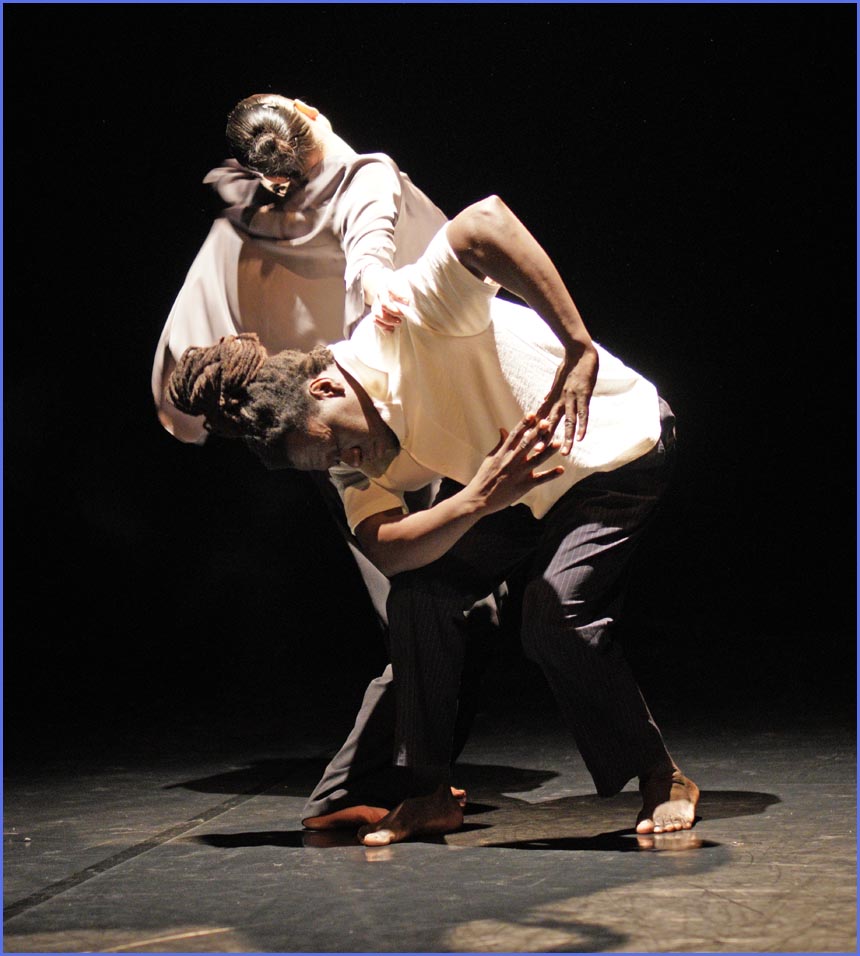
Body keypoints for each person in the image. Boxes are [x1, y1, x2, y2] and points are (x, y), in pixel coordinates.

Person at [166, 195, 700, 847]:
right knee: (419, 596)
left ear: (327, 388)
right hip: (518, 491)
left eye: (337, 445)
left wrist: (578, 347)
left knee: (554, 610)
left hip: (613, 451)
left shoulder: (409, 321)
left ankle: (661, 774)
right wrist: (477, 499)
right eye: (328, 463)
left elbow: (486, 222)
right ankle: (428, 792)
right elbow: (388, 548)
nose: (346, 462)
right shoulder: (343, 462)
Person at [151, 92, 498, 800]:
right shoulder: (359, 176)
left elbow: (183, 362)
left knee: (430, 602)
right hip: (368, 414)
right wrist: (373, 283)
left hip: (318, 428)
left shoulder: (241, 225)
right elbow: (371, 240)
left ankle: (393, 775)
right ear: (311, 116)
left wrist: (229, 413)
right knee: (438, 603)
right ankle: (384, 780)